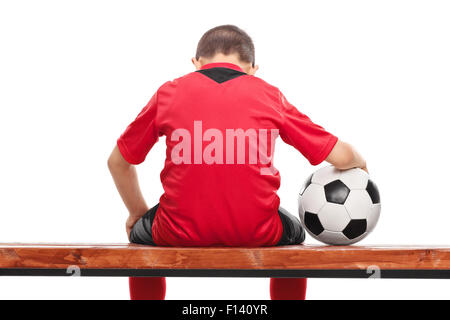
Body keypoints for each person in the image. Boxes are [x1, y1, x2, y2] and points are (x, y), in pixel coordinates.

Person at [108, 25, 367, 300]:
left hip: (177, 230)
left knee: (139, 237)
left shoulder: (168, 93)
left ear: (196, 63)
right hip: (259, 231)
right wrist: (360, 163)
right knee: (296, 236)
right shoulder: (269, 95)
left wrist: (137, 214)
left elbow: (118, 162)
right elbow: (341, 156)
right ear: (253, 69)